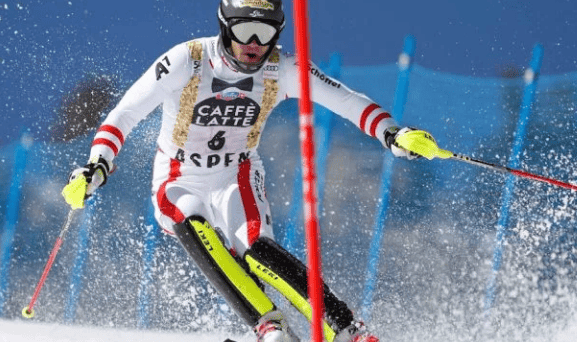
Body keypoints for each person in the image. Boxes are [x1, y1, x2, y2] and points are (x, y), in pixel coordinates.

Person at [61, 0, 448, 341]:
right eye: (244, 30)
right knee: (191, 222)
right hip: (178, 177)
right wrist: (97, 166)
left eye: (264, 33)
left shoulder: (282, 68)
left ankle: (345, 329)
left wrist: (393, 133)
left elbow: (344, 99)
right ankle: (270, 328)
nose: (253, 44)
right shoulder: (187, 59)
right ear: (224, 26)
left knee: (256, 249)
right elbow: (125, 113)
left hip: (237, 175)